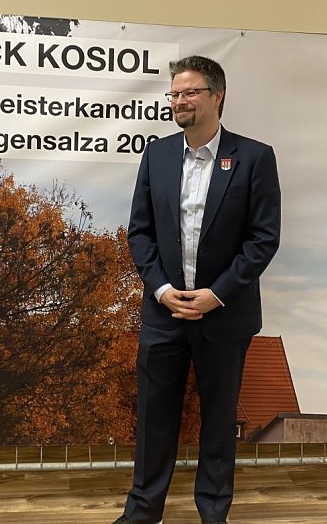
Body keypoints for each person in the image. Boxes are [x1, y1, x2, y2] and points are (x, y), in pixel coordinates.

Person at [114, 55, 282, 524]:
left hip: (223, 316)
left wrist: (217, 294)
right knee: (154, 419)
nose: (179, 100)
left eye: (190, 92)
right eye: (174, 93)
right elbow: (140, 233)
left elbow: (263, 238)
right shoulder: (157, 156)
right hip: (164, 312)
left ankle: (213, 514)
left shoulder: (254, 158)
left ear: (217, 97)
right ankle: (142, 512)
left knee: (218, 422)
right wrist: (162, 289)